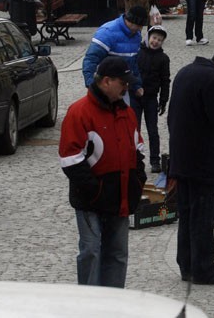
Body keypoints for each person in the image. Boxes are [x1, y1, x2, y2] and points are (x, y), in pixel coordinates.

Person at [59, 57, 147, 288]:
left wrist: (137, 181)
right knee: (91, 252)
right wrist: (95, 191)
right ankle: (90, 307)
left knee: (118, 254)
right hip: (91, 200)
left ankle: (113, 304)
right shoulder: (79, 112)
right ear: (106, 81)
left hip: (121, 197)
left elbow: (137, 149)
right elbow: (70, 159)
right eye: (123, 83)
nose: (126, 87)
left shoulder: (126, 113)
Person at [167, 47, 214, 285]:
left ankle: (186, 265)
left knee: (187, 212)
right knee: (203, 214)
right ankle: (203, 269)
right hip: (201, 161)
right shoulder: (212, 79)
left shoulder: (185, 72)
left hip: (182, 157)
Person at [82, 6, 147, 103]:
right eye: (139, 26)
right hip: (106, 88)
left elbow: (133, 63)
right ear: (131, 21)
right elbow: (91, 60)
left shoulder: (136, 35)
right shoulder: (107, 32)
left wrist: (137, 85)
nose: (140, 29)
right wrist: (91, 85)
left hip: (123, 88)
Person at [133, 26, 170, 174]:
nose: (156, 42)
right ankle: (134, 158)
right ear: (148, 37)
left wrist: (163, 100)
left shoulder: (163, 58)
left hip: (151, 98)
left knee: (153, 130)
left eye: (159, 40)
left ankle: (155, 160)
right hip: (135, 96)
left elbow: (165, 80)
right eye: (154, 38)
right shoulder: (137, 52)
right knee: (134, 129)